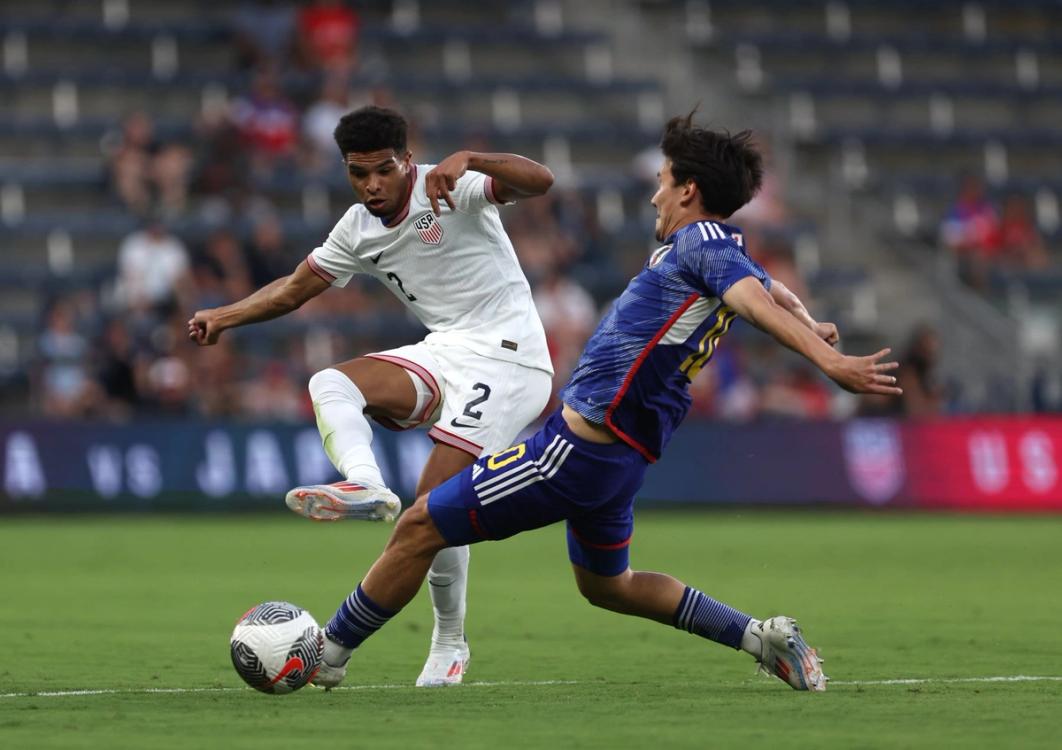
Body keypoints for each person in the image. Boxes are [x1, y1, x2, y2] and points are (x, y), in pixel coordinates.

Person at [310, 113, 902, 692]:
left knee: (418, 524)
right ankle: (760, 637)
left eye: (663, 183)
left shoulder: (699, 243)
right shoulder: (711, 248)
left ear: (689, 190)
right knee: (608, 586)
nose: (654, 197)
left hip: (574, 454)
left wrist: (830, 364)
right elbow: (766, 288)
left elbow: (751, 298)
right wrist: (811, 319)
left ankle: (325, 655)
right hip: (619, 460)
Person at [188, 106, 556, 687]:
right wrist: (223, 317)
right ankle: (365, 481)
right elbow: (291, 290)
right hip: (447, 349)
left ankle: (444, 642)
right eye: (358, 174)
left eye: (383, 170)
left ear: (406, 159)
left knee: (431, 511)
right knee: (329, 382)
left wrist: (471, 159)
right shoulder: (356, 229)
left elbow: (541, 181)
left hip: (512, 358)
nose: (372, 185)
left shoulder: (450, 184)